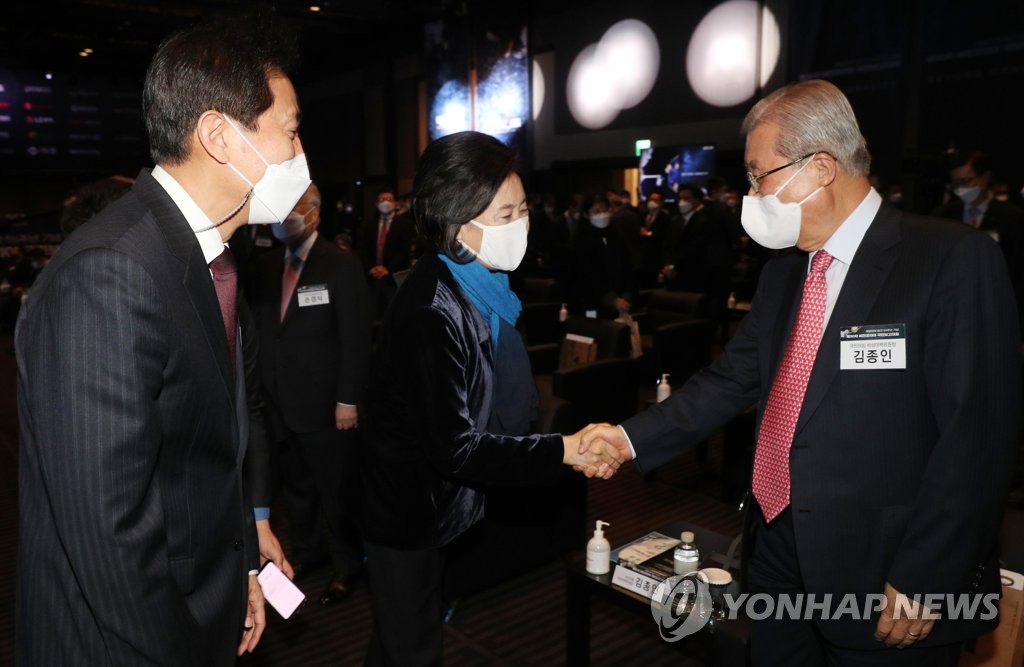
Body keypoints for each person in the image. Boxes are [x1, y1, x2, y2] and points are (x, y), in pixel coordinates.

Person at [580, 79, 1019, 666]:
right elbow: (730, 381)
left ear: (819, 167)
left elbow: (978, 439)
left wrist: (927, 576)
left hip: (887, 568)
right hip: (776, 550)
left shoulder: (949, 260)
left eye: (759, 174)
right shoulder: (784, 275)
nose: (752, 192)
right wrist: (628, 439)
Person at [16, 15, 306, 664]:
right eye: (289, 130)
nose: (298, 153)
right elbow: (109, 537)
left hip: (195, 601)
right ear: (219, 136)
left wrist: (239, 576)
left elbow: (204, 455)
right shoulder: (110, 272)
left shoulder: (203, 258)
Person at [359, 130, 623, 666]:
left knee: (400, 635)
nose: (520, 225)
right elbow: (456, 446)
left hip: (438, 505)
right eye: (504, 217)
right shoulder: (434, 309)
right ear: (459, 223)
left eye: (522, 210)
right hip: (406, 512)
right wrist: (565, 450)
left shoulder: (480, 288)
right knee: (412, 647)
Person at [248, 182, 372, 604]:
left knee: (336, 492)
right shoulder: (264, 267)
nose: (283, 220)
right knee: (297, 489)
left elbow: (355, 338)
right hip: (278, 404)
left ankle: (347, 564)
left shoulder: (341, 264)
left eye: (292, 211)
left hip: (328, 406)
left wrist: (348, 399)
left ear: (314, 214)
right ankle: (308, 553)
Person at [358, 186, 419, 319]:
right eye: (382, 199)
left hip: (395, 275)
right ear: (376, 204)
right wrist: (371, 267)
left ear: (395, 203)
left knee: (396, 312)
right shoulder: (368, 224)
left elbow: (404, 250)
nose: (386, 202)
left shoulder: (405, 224)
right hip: (372, 276)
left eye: (389, 199)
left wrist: (387, 269)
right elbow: (363, 248)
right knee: (372, 313)